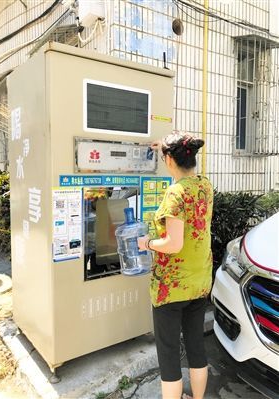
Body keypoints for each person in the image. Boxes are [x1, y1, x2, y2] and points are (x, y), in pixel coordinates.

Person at [138, 133, 213, 399]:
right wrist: (166, 146)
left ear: (169, 159)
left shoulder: (175, 194)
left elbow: (172, 244)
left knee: (169, 354)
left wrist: (147, 243)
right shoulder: (205, 185)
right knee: (196, 347)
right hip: (200, 281)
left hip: (171, 288)